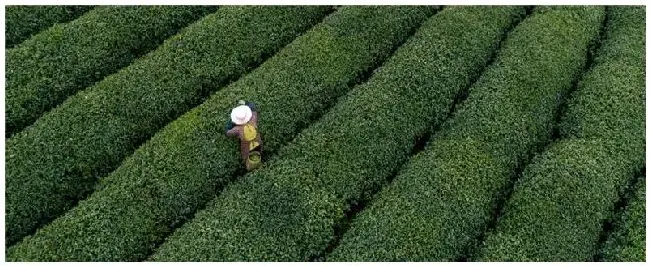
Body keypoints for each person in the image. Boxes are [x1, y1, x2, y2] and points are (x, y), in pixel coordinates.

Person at [225, 100, 263, 171]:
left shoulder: (237, 129)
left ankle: (249, 168)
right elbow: (253, 108)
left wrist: (231, 122)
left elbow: (228, 132)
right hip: (258, 143)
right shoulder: (253, 119)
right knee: (259, 153)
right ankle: (259, 162)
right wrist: (245, 103)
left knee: (246, 157)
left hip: (247, 148)